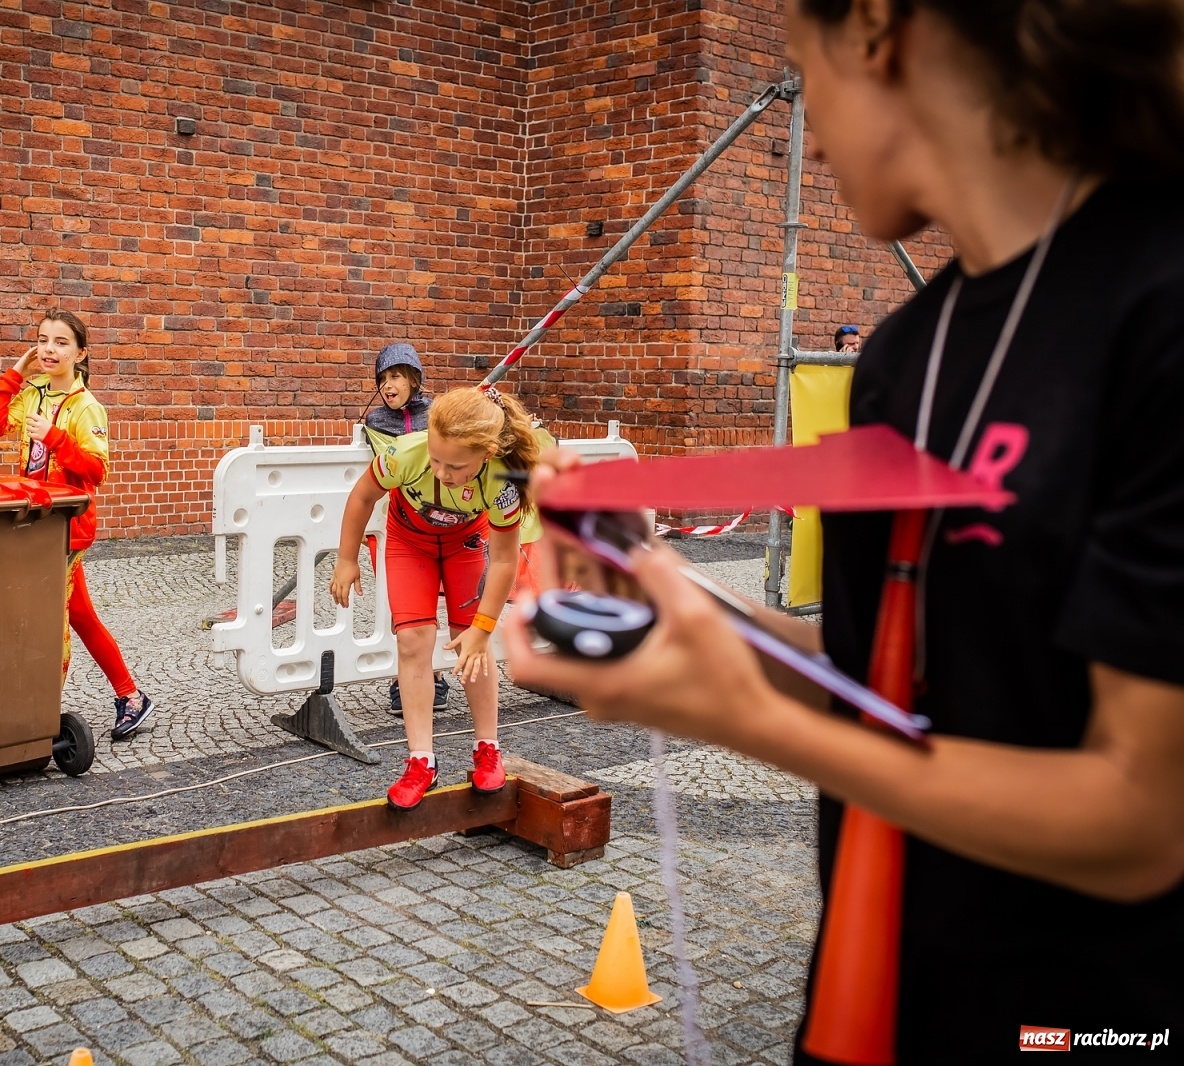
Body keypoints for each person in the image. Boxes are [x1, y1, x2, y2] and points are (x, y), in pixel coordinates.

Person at [507, 0, 1184, 1058]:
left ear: (874, 28)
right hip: (876, 1002)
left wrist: (754, 724)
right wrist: (675, 602)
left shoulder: (1159, 304)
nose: (807, 132)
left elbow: (1143, 818)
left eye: (798, 69)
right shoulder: (902, 354)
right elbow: (883, 677)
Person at [331, 386, 540, 809]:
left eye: (456, 465)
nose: (442, 472)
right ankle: (421, 760)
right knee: (412, 642)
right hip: (411, 542)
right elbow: (362, 496)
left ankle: (487, 747)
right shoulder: (406, 453)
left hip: (467, 544)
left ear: (488, 454)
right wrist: (346, 558)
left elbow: (503, 562)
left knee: (473, 645)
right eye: (437, 459)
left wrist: (482, 630)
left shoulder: (502, 482)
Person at [0, 311, 159, 742]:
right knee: (79, 614)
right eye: (42, 340)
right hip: (30, 525)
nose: (49, 349)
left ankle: (38, 717)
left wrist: (55, 439)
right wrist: (15, 372)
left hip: (65, 531)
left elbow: (96, 471)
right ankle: (130, 697)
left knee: (48, 621)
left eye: (61, 342)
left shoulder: (86, 407)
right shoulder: (33, 393)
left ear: (81, 353)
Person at [361, 341, 449, 716]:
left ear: (415, 378)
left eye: (395, 376)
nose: (388, 385)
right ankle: (404, 679)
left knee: (435, 602)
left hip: (443, 519)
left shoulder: (437, 414)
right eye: (382, 379)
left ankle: (433, 675)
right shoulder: (377, 422)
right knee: (404, 605)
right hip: (395, 523)